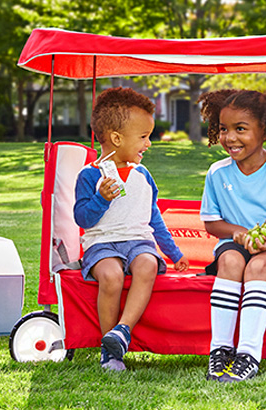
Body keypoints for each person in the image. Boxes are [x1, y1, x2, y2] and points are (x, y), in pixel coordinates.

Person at [198, 88, 266, 382]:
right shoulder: (217, 172)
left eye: (240, 129)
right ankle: (220, 351)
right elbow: (212, 224)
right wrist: (236, 232)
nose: (230, 137)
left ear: (265, 130)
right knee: (231, 263)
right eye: (223, 129)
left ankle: (248, 353)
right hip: (234, 245)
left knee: (258, 266)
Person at [74, 87, 189, 371]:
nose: (148, 143)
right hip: (102, 245)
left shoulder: (143, 175)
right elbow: (83, 219)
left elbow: (153, 217)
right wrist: (101, 198)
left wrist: (173, 253)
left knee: (148, 265)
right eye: (143, 137)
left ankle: (122, 331)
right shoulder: (90, 175)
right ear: (116, 138)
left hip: (138, 242)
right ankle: (109, 351)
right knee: (111, 276)